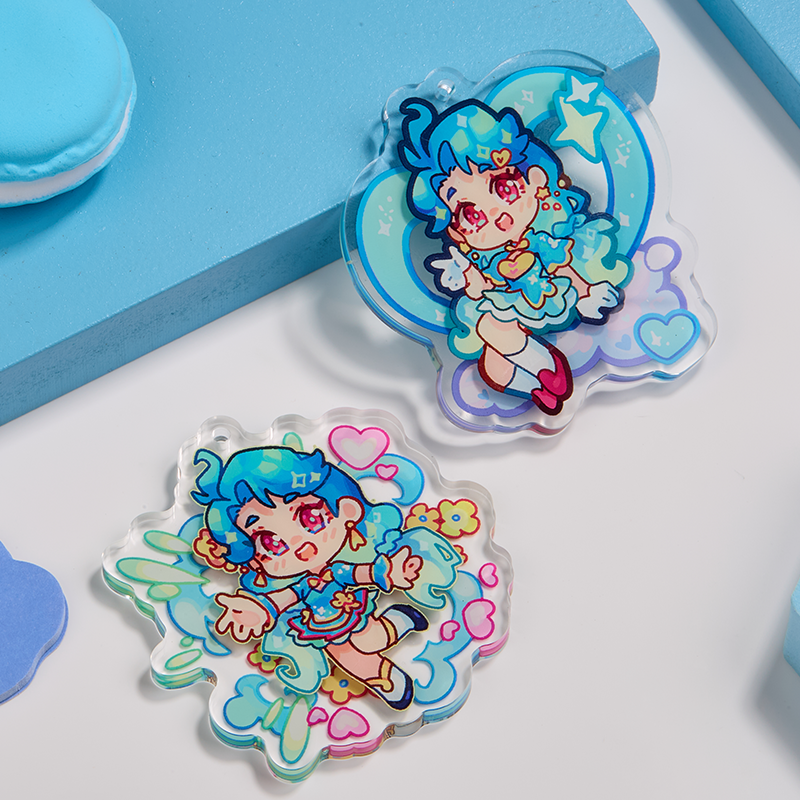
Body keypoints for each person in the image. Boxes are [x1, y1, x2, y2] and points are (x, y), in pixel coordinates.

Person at [399, 98, 631, 415]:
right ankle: (538, 386)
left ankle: (544, 366)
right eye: (471, 214)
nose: (496, 215)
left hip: (555, 294)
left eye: (504, 188)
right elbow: (480, 290)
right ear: (457, 233)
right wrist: (465, 276)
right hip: (511, 305)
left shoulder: (547, 235)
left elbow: (564, 265)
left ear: (535, 178)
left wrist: (586, 292)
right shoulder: (485, 258)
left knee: (491, 330)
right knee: (492, 357)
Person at [190, 445, 445, 710]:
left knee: (372, 639)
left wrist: (386, 573)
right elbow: (282, 598)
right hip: (317, 625)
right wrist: (261, 610)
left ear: (347, 510)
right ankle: (384, 679)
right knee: (345, 656)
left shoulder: (337, 570)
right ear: (255, 562)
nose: (301, 546)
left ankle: (398, 620)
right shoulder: (300, 586)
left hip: (349, 608)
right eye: (271, 543)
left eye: (311, 518)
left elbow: (357, 573)